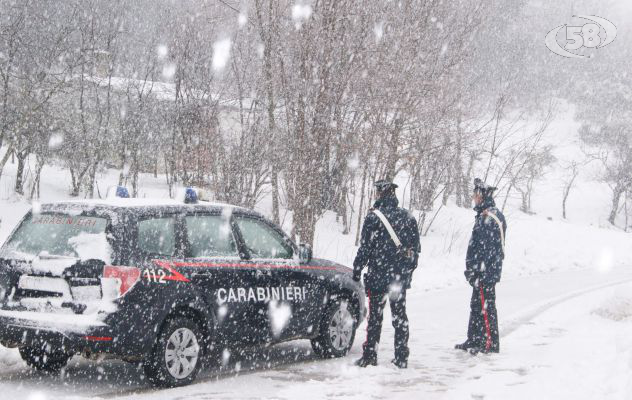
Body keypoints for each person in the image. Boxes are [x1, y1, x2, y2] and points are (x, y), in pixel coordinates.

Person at [353, 179, 420, 368]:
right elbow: (415, 250)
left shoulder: (374, 218)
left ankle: (370, 355)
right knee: (400, 317)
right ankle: (401, 356)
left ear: (380, 194)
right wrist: (407, 271)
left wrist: (357, 268)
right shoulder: (408, 217)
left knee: (374, 318)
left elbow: (365, 248)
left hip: (378, 275)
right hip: (398, 277)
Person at [455, 178, 507, 355]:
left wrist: (478, 271)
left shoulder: (489, 217)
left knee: (486, 307)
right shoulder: (486, 214)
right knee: (477, 305)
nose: (474, 198)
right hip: (482, 271)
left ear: (482, 196)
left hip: (485, 272)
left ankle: (490, 343)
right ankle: (474, 339)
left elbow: (487, 249)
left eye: (476, 195)